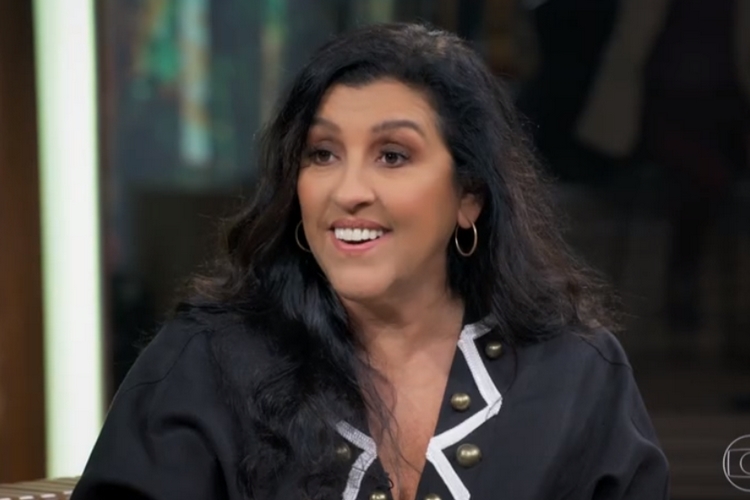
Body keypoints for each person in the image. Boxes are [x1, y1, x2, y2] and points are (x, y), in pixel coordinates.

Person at [71, 23, 669, 500]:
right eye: (322, 154)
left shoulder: (574, 374)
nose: (348, 191)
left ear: (469, 195)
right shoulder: (203, 359)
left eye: (392, 155)